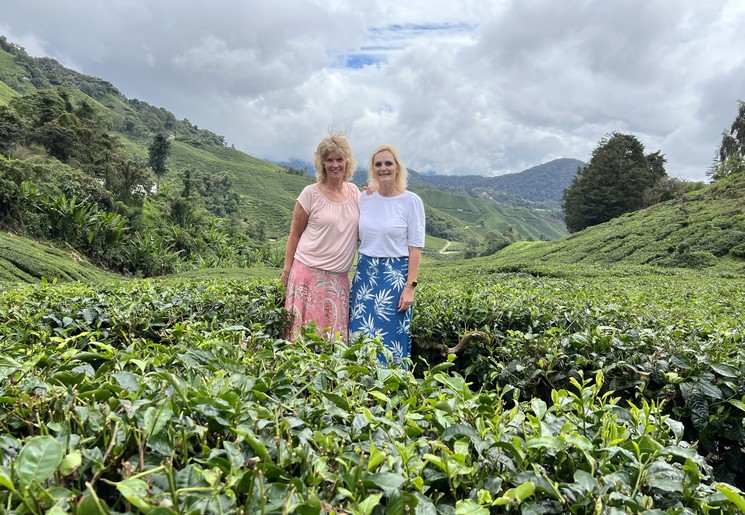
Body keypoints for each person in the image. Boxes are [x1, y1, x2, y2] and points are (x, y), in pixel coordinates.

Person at [349, 144, 425, 366]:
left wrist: (410, 287)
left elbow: (415, 248)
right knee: (359, 335)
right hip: (365, 275)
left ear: (397, 168)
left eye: (388, 163)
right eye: (378, 164)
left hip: (395, 277)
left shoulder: (411, 201)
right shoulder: (365, 198)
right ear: (373, 169)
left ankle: (392, 392)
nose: (383, 168)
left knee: (391, 340)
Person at [281, 134, 361, 342]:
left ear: (347, 162)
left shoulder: (355, 193)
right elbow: (294, 235)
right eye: (329, 160)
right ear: (322, 164)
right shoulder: (310, 194)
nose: (335, 164)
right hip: (306, 275)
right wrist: (286, 271)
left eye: (339, 159)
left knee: (332, 344)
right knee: (302, 341)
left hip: (338, 281)